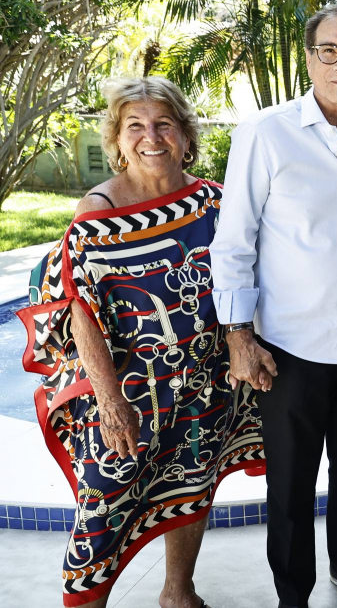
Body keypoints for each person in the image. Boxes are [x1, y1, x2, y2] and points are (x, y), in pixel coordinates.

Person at [19, 76, 264, 608]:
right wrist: (110, 403)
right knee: (104, 506)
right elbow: (81, 313)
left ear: (184, 135)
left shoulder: (215, 203)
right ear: (117, 139)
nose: (151, 136)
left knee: (193, 485)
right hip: (127, 392)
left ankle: (179, 592)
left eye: (163, 124)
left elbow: (243, 281)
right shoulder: (97, 213)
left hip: (204, 383)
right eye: (135, 126)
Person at [209, 3, 337, 608]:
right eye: (331, 51)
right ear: (311, 57)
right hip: (290, 348)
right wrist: (239, 337)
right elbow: (233, 241)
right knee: (291, 483)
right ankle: (293, 592)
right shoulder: (267, 133)